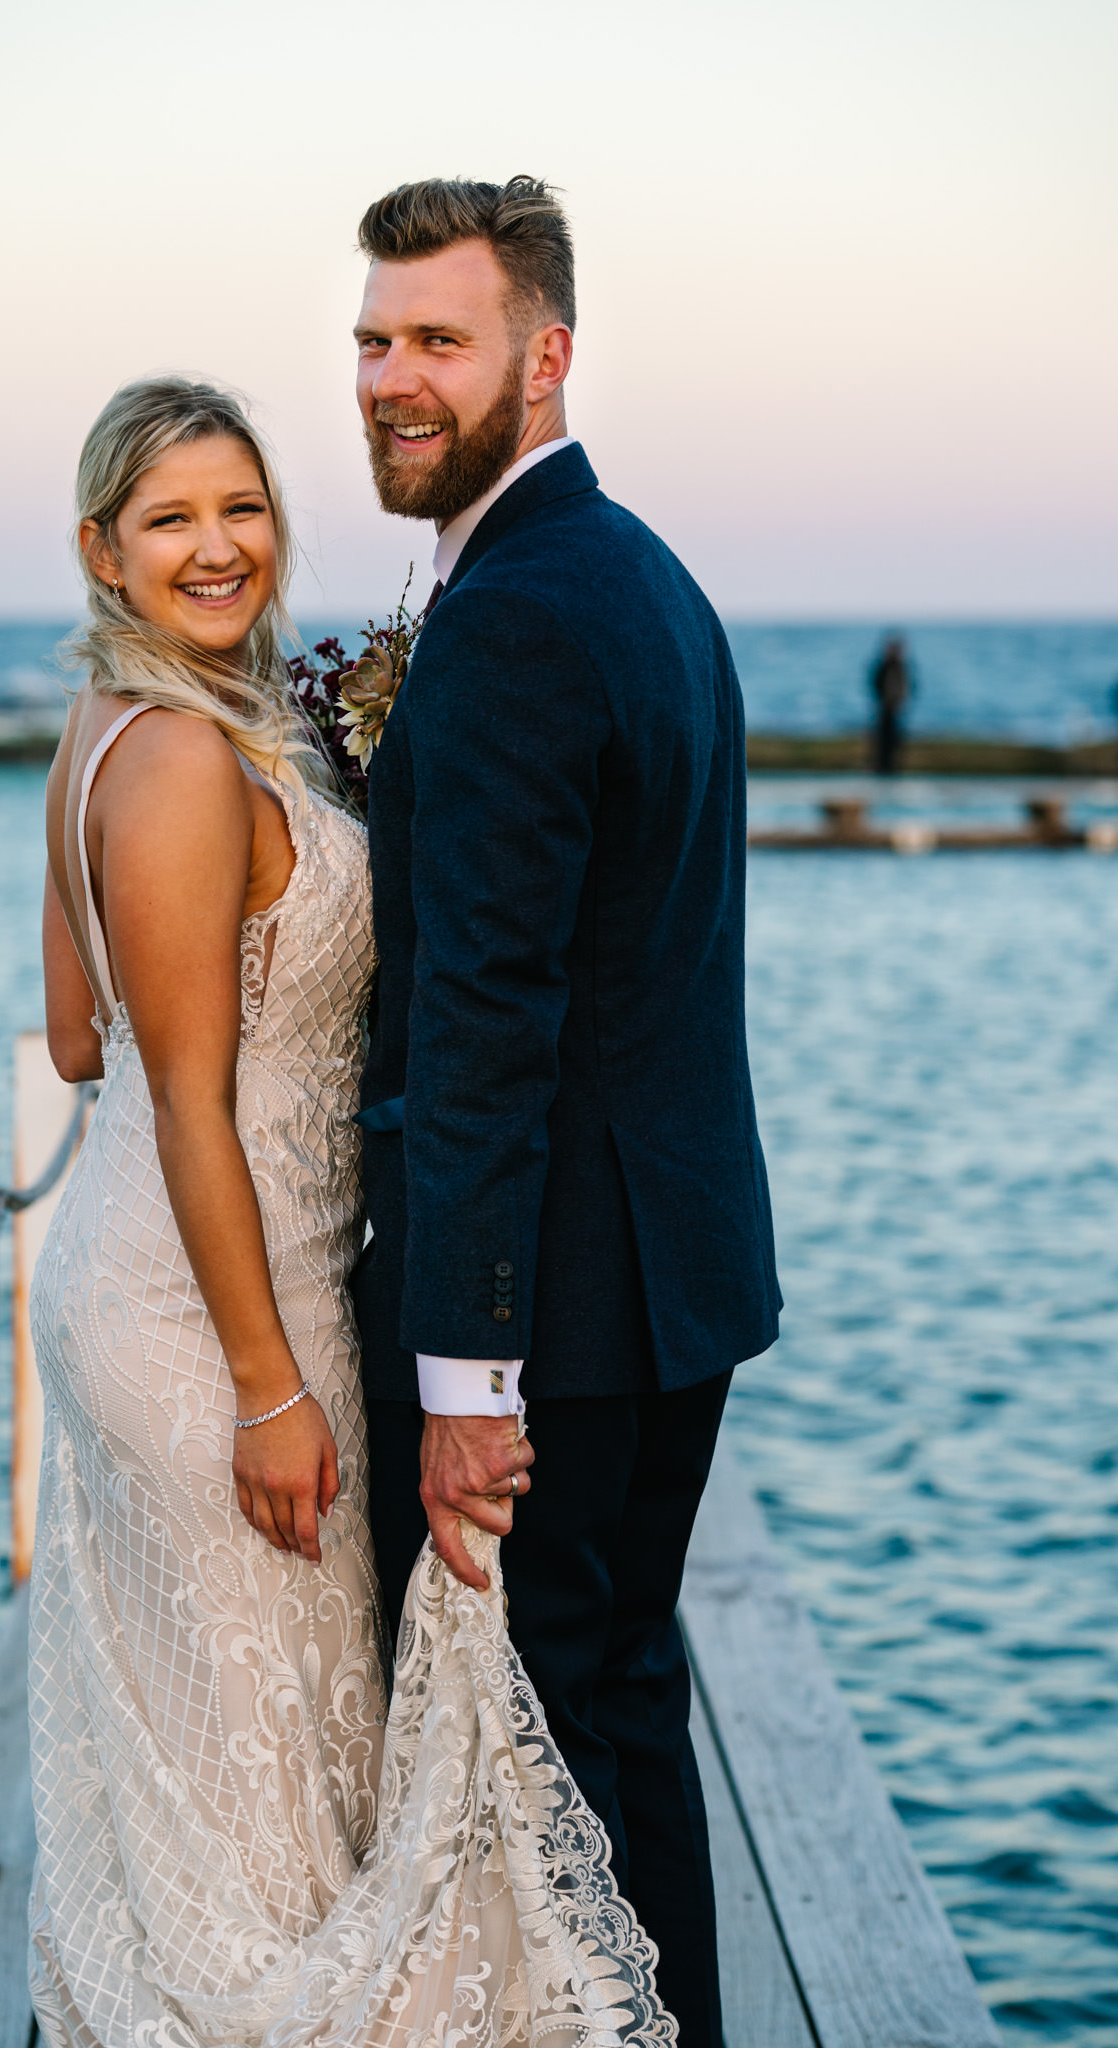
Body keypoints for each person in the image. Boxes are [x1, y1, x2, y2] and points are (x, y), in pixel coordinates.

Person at [27, 376, 673, 2046]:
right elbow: (177, 1095)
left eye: (241, 507)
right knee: (269, 1790)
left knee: (236, 1766)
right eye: (170, 518)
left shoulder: (107, 721)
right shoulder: (174, 755)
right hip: (216, 1320)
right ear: (103, 548)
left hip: (157, 1279)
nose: (218, 544)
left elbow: (77, 1028)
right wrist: (265, 1383)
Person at [349, 177, 782, 2048]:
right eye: (371, 339)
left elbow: (491, 1023)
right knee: (617, 1706)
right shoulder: (649, 577)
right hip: (669, 1274)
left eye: (436, 340)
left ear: (546, 353)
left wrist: (466, 1380)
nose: (389, 378)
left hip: (564, 1312)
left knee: (553, 1749)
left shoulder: (523, 611)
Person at [869, 632, 912, 773]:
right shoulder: (884, 665)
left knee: (895, 738)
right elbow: (875, 684)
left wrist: (900, 700)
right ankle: (880, 766)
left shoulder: (900, 666)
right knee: (882, 738)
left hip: (896, 707)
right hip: (884, 706)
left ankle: (892, 766)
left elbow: (907, 686)